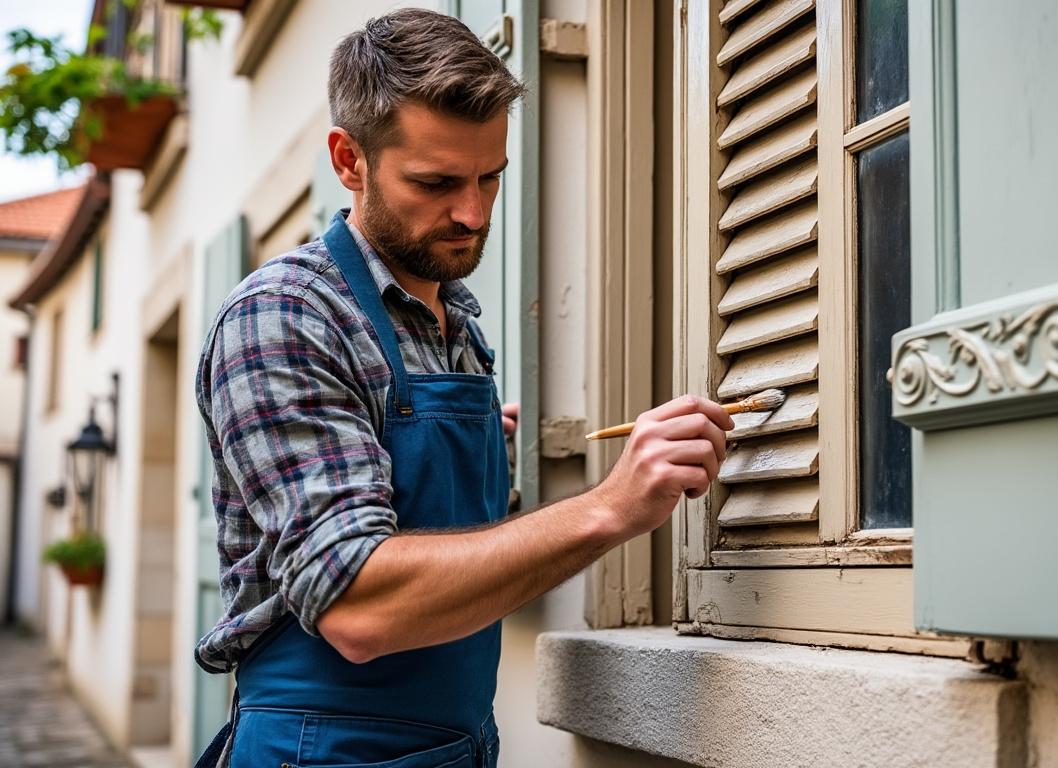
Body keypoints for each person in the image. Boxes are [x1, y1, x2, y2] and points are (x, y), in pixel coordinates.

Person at [193, 9, 729, 767]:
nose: (472, 213)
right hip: (323, 748)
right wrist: (610, 507)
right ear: (350, 160)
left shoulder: (453, 321)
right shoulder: (284, 314)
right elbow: (356, 605)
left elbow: (423, 535)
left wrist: (484, 474)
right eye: (437, 182)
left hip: (459, 744)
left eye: (491, 176)